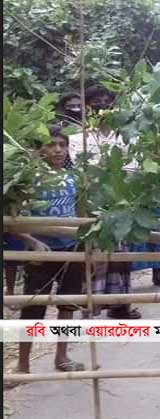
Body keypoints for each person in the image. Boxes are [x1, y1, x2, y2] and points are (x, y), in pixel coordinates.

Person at [13, 125, 86, 376]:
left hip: (71, 248)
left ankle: (62, 356)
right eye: (51, 144)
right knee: (33, 308)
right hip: (40, 252)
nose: (58, 150)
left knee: (68, 305)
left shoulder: (74, 177)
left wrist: (87, 240)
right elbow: (11, 217)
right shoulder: (27, 180)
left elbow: (81, 212)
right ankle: (23, 364)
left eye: (62, 145)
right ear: (39, 149)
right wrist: (31, 240)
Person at [70, 84, 141, 319]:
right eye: (96, 102)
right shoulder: (77, 138)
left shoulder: (126, 137)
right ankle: (91, 304)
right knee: (93, 255)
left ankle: (119, 305)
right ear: (87, 108)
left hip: (121, 201)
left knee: (121, 256)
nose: (102, 106)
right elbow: (79, 171)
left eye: (106, 101)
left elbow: (132, 169)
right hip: (90, 203)